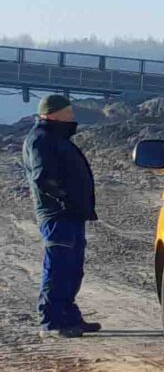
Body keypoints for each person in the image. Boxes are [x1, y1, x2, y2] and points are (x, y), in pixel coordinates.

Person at [21, 94, 99, 337]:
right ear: (53, 113)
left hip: (70, 213)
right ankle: (52, 320)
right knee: (58, 266)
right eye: (68, 111)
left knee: (72, 267)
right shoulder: (41, 139)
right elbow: (43, 178)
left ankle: (68, 315)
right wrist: (65, 198)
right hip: (58, 214)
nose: (72, 116)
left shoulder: (55, 137)